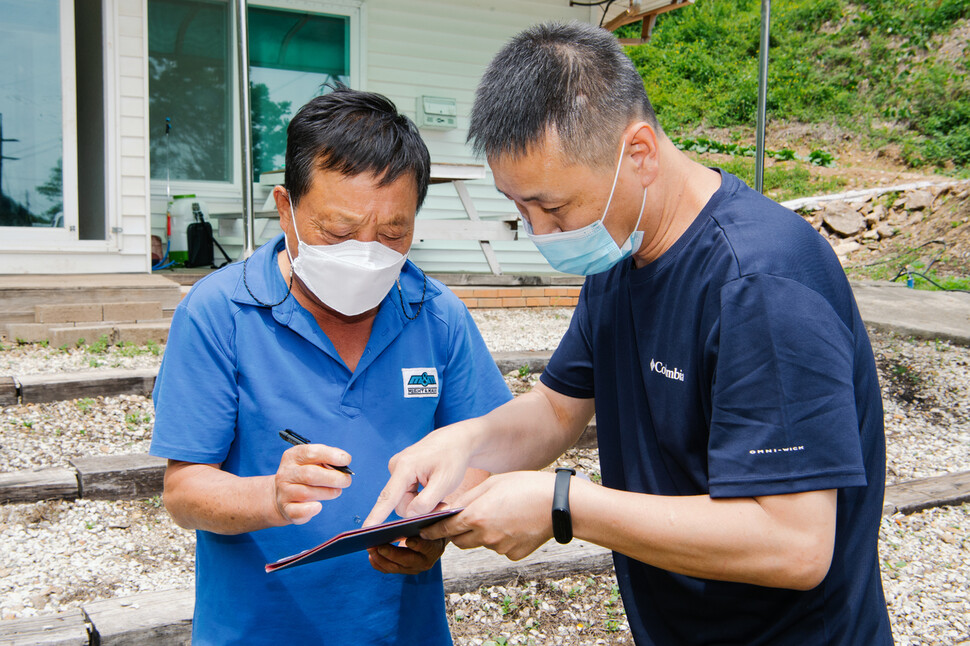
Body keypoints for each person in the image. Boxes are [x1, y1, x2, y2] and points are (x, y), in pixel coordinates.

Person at [365, 21, 893, 645]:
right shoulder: (619, 255)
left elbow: (796, 545)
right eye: (519, 208)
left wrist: (563, 505)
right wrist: (464, 447)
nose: (540, 232)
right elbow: (558, 409)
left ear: (637, 152)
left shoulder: (759, 281)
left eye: (555, 207)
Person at [150, 86, 512, 645]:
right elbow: (184, 491)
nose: (366, 251)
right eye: (338, 231)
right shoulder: (220, 312)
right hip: (258, 629)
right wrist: (270, 495)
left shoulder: (436, 315)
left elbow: (492, 450)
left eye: (393, 233)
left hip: (401, 627)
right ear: (285, 207)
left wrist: (436, 522)